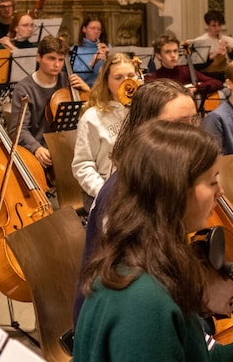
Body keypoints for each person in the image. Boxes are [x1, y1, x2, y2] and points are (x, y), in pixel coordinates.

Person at [74, 121, 233, 362]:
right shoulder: (145, 303)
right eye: (212, 181)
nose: (220, 191)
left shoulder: (139, 261)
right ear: (176, 191)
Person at [74, 78, 200, 321]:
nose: (192, 133)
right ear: (147, 130)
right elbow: (132, 280)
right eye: (178, 125)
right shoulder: (121, 193)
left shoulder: (169, 177)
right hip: (117, 313)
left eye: (193, 121)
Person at [8, 36, 90, 169]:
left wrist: (88, 92)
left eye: (61, 60)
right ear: (38, 57)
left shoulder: (68, 82)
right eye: (51, 58)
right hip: (40, 148)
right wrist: (36, 148)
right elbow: (18, 130)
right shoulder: (24, 89)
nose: (57, 64)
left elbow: (89, 116)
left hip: (67, 145)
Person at [72, 54, 135, 207]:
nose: (126, 82)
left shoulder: (144, 109)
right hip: (106, 192)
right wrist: (105, 192)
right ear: (106, 81)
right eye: (118, 77)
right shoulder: (92, 117)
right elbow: (82, 165)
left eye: (131, 75)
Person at [144, 34, 221, 98]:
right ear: (158, 55)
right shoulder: (155, 77)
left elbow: (217, 83)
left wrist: (196, 88)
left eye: (175, 51)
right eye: (168, 52)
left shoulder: (185, 71)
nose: (173, 55)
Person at [187, 10, 233, 79]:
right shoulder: (200, 41)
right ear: (207, 26)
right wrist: (214, 54)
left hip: (224, 75)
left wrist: (229, 50)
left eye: (219, 25)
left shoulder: (229, 40)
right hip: (206, 76)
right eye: (214, 26)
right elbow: (197, 66)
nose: (217, 29)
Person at [72, 15, 109, 87]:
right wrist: (92, 63)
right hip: (84, 89)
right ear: (84, 29)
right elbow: (75, 78)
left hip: (104, 88)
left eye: (99, 29)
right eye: (92, 28)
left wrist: (109, 58)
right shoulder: (75, 50)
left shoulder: (107, 47)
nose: (96, 32)